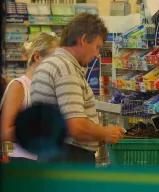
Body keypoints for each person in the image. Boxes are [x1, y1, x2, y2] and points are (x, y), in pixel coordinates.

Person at [30, 13, 125, 164]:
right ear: (83, 40)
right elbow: (76, 127)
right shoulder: (66, 69)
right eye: (97, 47)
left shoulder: (50, 64)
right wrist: (105, 133)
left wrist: (95, 136)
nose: (97, 54)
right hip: (68, 158)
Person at [0, 32, 59, 161]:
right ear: (37, 57)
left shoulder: (52, 87)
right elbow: (4, 133)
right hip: (22, 161)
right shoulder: (19, 86)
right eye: (54, 59)